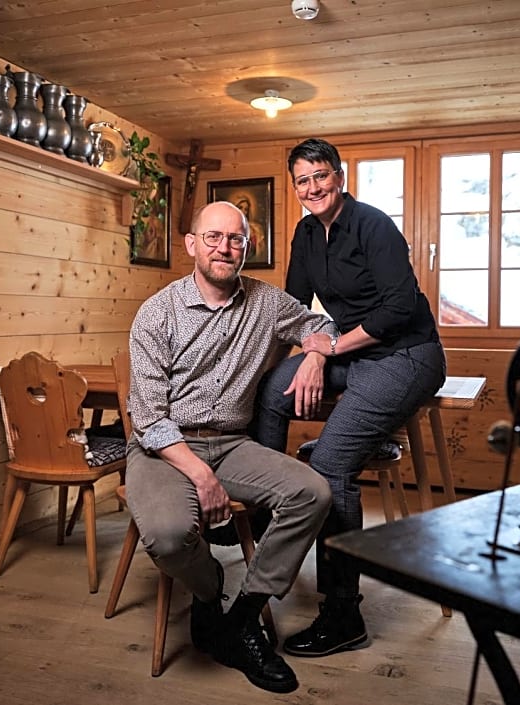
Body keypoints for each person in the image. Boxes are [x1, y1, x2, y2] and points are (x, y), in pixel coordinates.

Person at [125, 200, 337, 693]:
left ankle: (243, 618)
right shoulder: (158, 313)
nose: (225, 247)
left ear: (247, 246)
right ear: (192, 245)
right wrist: (201, 476)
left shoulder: (265, 302)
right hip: (165, 448)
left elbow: (320, 325)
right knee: (169, 535)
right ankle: (210, 588)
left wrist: (314, 358)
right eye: (214, 237)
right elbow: (150, 418)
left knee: (313, 493)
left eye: (236, 239)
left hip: (232, 442)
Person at [254, 138, 447, 658]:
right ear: (295, 188)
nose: (313, 187)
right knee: (273, 390)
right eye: (303, 180)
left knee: (331, 462)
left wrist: (330, 347)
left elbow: (399, 308)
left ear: (339, 177)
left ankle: (343, 614)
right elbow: (295, 308)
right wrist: (313, 353)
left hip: (407, 354)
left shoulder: (373, 223)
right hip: (347, 350)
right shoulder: (304, 232)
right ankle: (266, 509)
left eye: (321, 176)